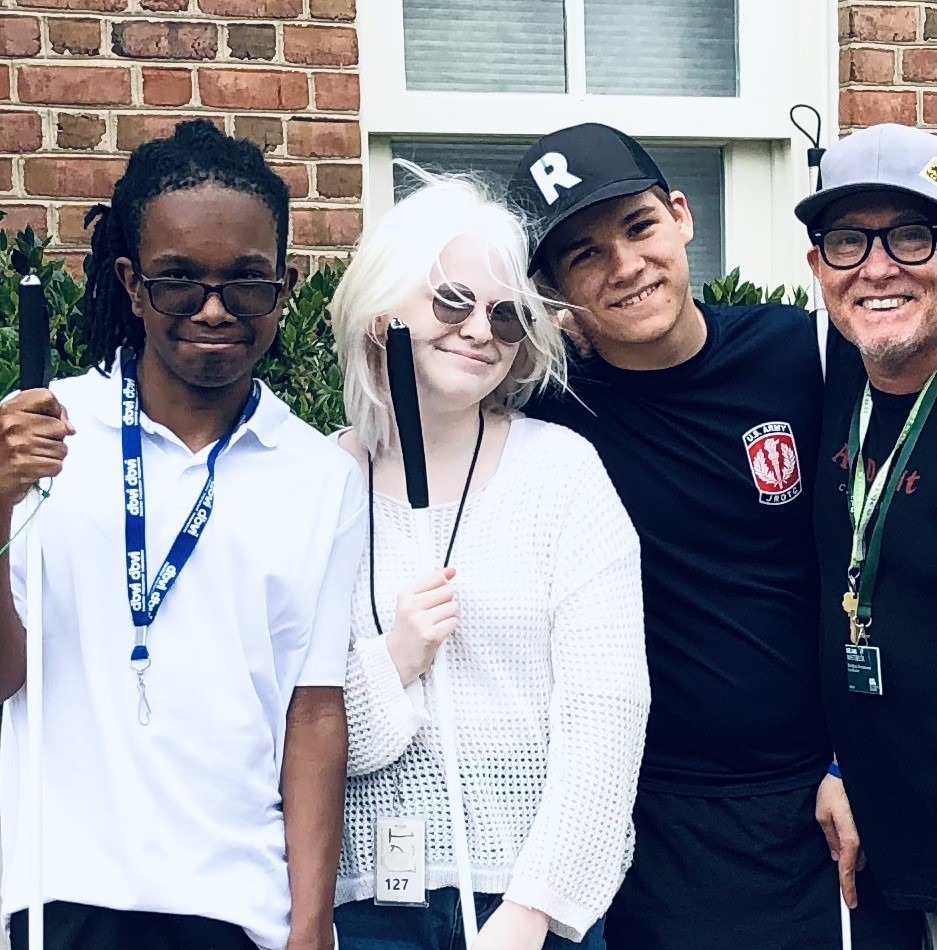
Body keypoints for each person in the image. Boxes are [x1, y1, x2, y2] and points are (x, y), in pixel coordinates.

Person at [0, 119, 365, 950]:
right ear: (131, 284)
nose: (212, 310)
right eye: (178, 282)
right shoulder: (37, 436)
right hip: (60, 894)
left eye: (245, 283)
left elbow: (312, 712)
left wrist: (310, 925)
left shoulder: (320, 476)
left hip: (238, 907)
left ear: (286, 285)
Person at [506, 123, 839, 949]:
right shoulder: (541, 415)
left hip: (815, 807)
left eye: (638, 227)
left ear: (681, 216)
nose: (624, 266)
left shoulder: (798, 354)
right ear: (552, 288)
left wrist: (854, 765)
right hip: (641, 821)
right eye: (584, 255)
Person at [327, 169, 651, 950]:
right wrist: (395, 660)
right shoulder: (314, 485)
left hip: (529, 904)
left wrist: (532, 909)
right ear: (380, 309)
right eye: (451, 301)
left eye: (504, 315)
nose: (479, 330)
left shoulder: (559, 472)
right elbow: (301, 733)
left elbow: (606, 709)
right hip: (364, 914)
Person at [797, 122, 937, 950]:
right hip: (879, 838)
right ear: (817, 267)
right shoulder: (836, 370)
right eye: (847, 241)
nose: (877, 268)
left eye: (912, 234)